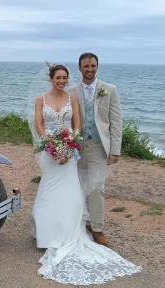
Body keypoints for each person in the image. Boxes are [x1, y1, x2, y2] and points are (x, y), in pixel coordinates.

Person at [30, 63, 141, 285]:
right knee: (49, 190)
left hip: (69, 151)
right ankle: (46, 233)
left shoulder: (73, 99)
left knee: (71, 191)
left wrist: (69, 145)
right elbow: (39, 124)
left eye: (64, 78)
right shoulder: (40, 99)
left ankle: (70, 231)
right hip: (50, 151)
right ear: (51, 78)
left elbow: (77, 125)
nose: (62, 81)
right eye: (58, 77)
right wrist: (50, 144)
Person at [69, 52, 123, 247]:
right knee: (78, 186)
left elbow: (116, 122)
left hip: (100, 145)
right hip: (76, 146)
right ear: (80, 68)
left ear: (97, 67)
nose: (90, 69)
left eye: (93, 66)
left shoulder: (109, 90)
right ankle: (81, 223)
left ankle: (97, 228)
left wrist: (115, 149)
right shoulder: (72, 90)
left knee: (97, 187)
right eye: (86, 66)